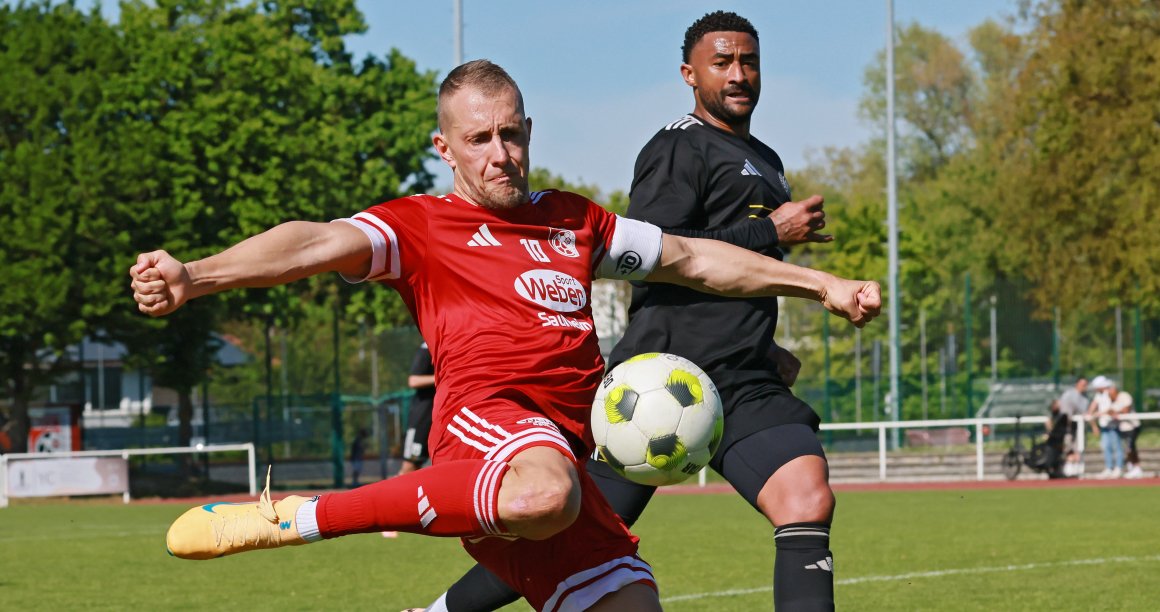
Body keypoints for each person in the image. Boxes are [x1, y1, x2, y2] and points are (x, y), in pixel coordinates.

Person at [129, 59, 881, 612]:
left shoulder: (573, 219)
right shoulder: (419, 225)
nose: (500, 154)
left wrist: (821, 285)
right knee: (544, 487)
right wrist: (198, 275)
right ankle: (304, 517)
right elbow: (310, 244)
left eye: (511, 135)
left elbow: (693, 259)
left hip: (556, 468)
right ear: (445, 147)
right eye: (480, 138)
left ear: (529, 132)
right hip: (488, 434)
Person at [436, 12, 844, 612]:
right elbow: (664, 251)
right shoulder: (678, 145)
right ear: (690, 74)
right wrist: (770, 230)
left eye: (748, 62)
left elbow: (738, 280)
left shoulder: (763, 156)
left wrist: (765, 343)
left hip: (744, 379)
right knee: (566, 539)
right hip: (663, 383)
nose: (738, 74)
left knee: (807, 498)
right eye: (721, 62)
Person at [398, 341, 436, 476]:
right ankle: (394, 496)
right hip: (422, 417)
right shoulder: (427, 348)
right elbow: (413, 380)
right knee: (410, 466)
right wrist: (442, 377)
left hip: (443, 415)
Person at [1087, 375, 1128, 479]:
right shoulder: (1098, 395)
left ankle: (1119, 468)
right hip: (1104, 425)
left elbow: (1113, 408)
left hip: (1113, 424)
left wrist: (1100, 413)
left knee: (1117, 446)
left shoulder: (1111, 392)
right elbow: (1092, 407)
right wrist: (1090, 416)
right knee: (1106, 447)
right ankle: (1109, 468)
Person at [1056, 377, 1088, 476]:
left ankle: (1077, 469)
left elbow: (1085, 412)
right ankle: (1068, 468)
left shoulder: (1085, 398)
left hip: (1078, 426)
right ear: (1077, 384)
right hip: (1067, 426)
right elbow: (1065, 411)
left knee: (1078, 447)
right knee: (1068, 447)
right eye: (1082, 384)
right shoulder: (1069, 395)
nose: (1084, 387)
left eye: (1085, 385)